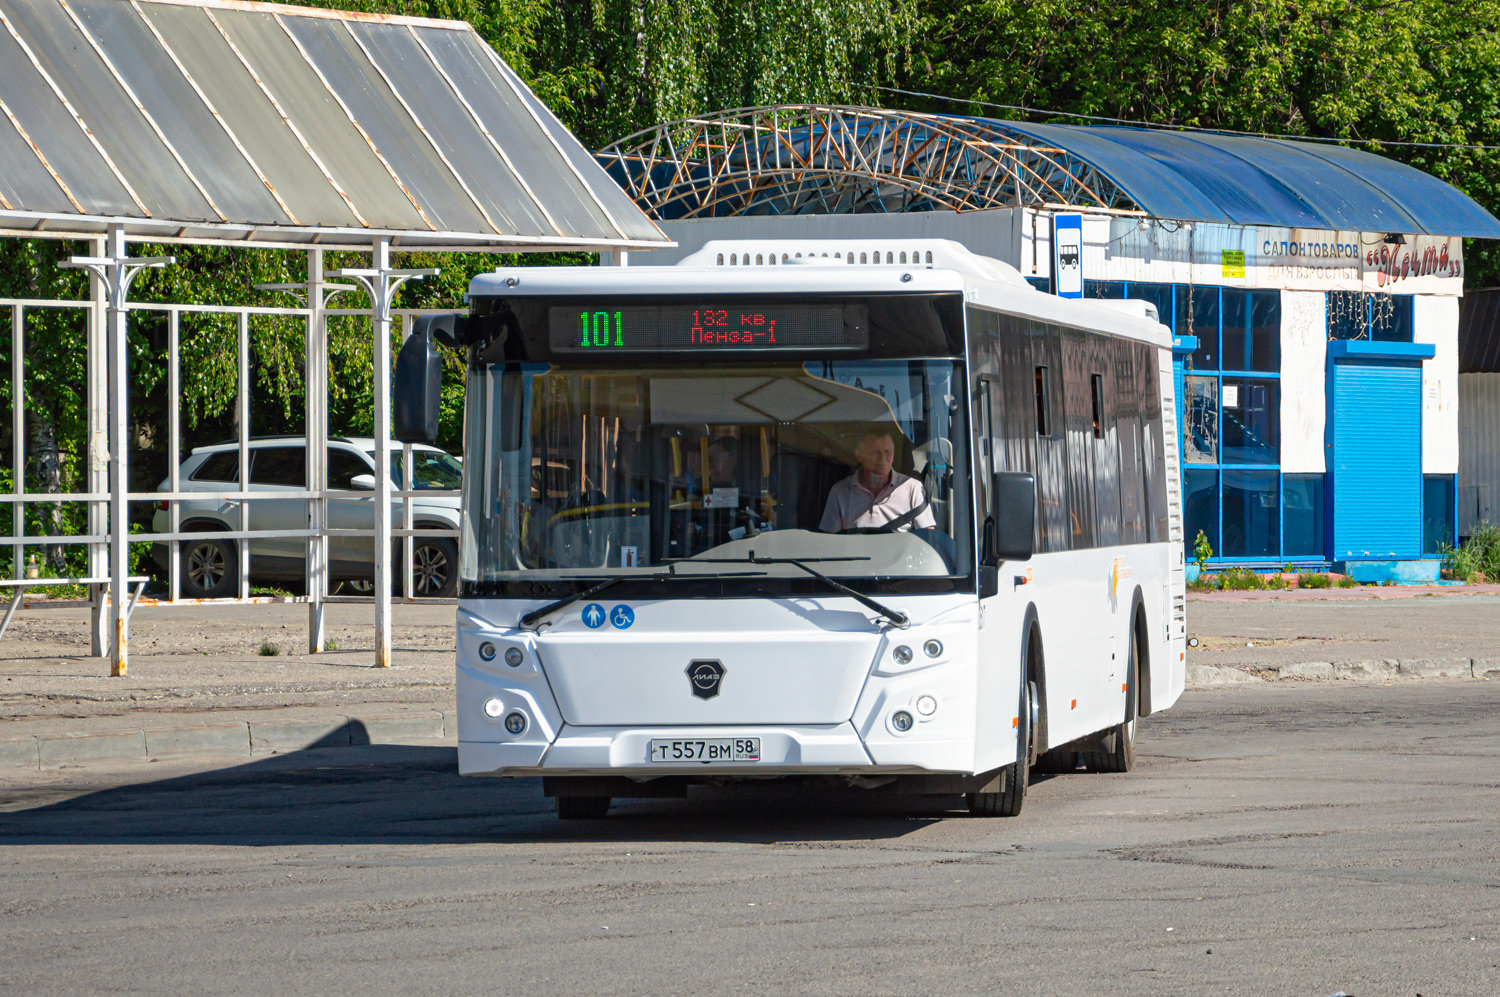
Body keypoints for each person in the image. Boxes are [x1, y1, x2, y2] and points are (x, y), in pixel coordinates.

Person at [819, 430, 936, 533]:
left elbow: (927, 537)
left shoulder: (912, 488)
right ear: (859, 456)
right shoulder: (840, 492)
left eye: (888, 452)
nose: (882, 459)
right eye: (875, 452)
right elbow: (829, 541)